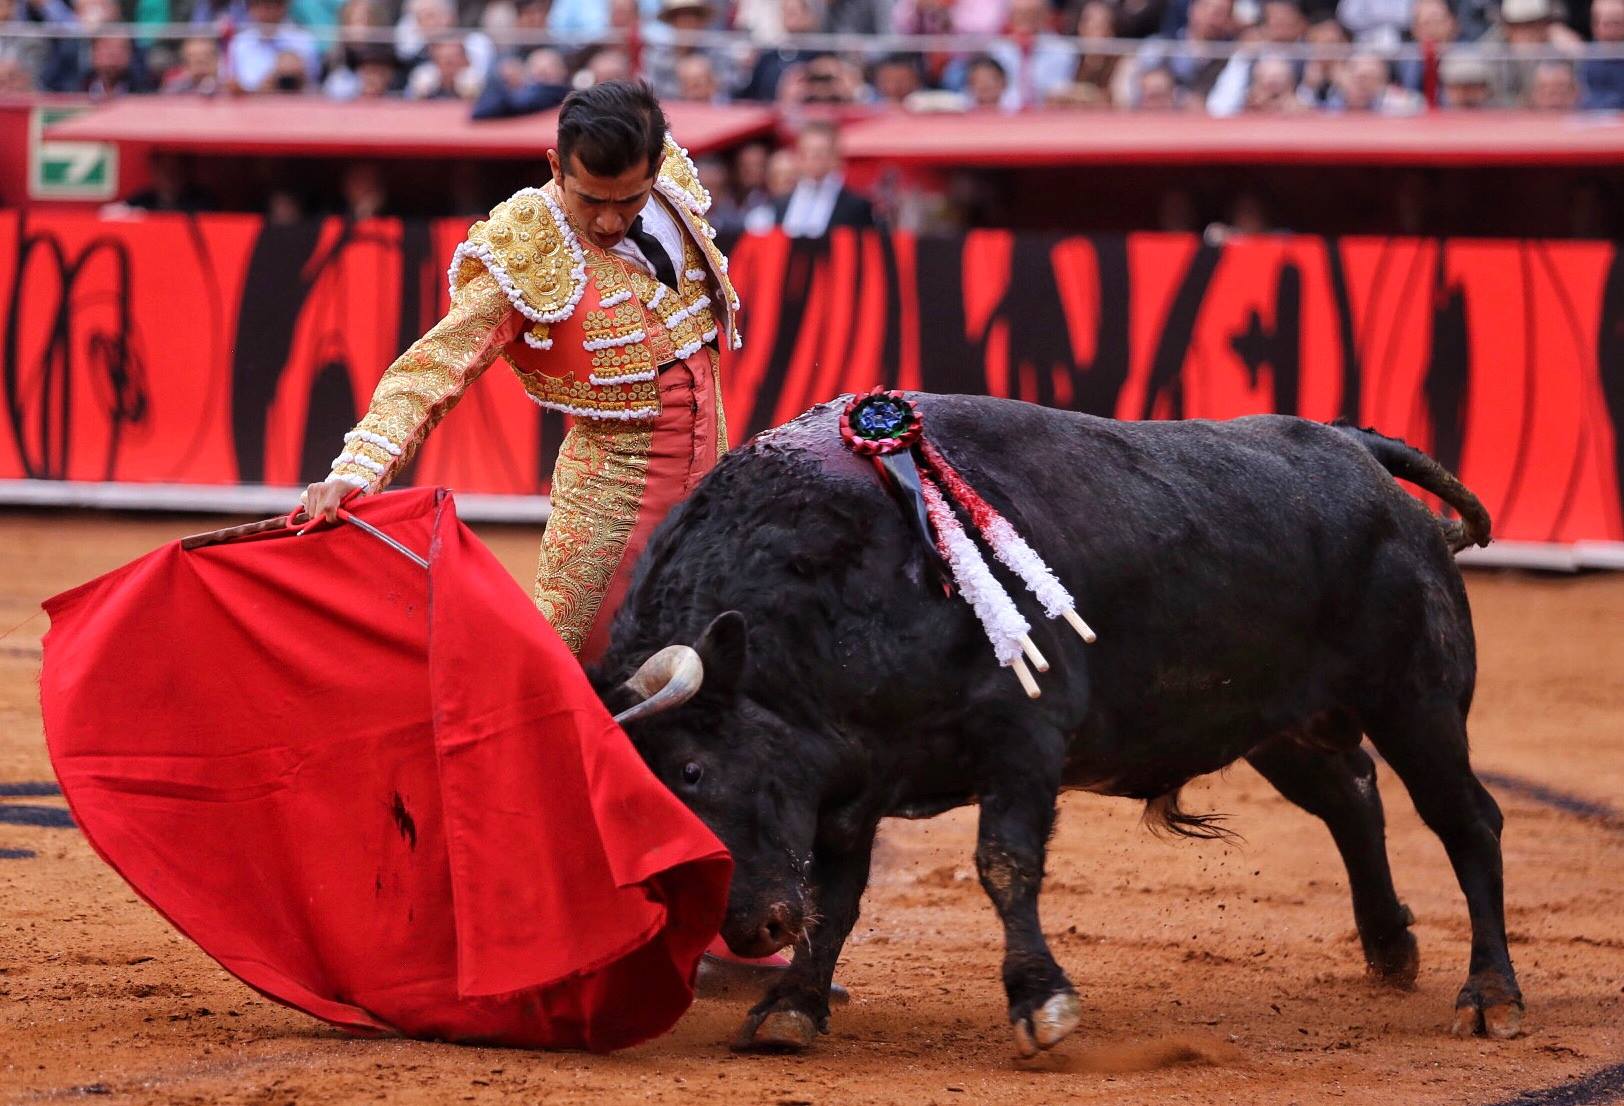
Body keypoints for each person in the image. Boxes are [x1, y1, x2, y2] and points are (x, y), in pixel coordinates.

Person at [302, 80, 740, 666]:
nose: (609, 221)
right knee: (563, 670)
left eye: (628, 200)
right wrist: (358, 471)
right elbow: (435, 365)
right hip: (610, 508)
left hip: (712, 497)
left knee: (706, 674)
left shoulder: (675, 196)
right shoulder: (528, 246)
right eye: (590, 200)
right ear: (557, 167)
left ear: (656, 168)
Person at [775, 120, 876, 236]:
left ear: (835, 157)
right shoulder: (780, 204)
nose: (812, 159)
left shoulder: (857, 207)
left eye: (819, 153)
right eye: (806, 152)